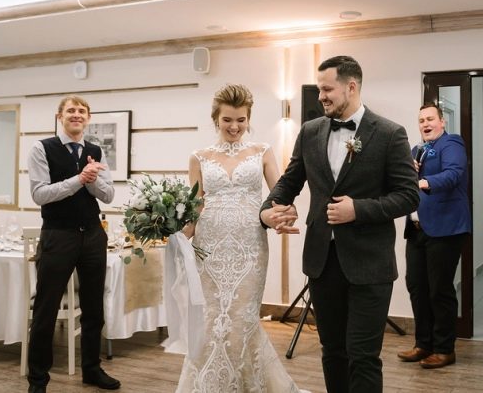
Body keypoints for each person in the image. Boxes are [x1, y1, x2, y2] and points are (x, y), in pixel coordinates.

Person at [260, 55, 419, 393]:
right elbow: (289, 182)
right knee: (332, 351)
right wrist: (266, 212)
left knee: (363, 356)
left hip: (370, 265)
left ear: (351, 87)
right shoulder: (310, 131)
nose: (321, 97)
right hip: (322, 262)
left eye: (327, 89)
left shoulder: (389, 133)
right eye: (320, 90)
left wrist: (357, 210)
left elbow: (408, 196)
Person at [176, 84, 304, 392]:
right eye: (227, 120)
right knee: (211, 319)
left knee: (242, 319)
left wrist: (285, 215)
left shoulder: (262, 152)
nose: (234, 127)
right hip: (209, 248)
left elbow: (280, 197)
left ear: (249, 119)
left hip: (249, 247)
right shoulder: (199, 157)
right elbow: (196, 207)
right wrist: (177, 237)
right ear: (216, 119)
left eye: (241, 120)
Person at [27, 95, 119, 393]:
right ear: (60, 116)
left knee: (93, 308)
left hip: (92, 234)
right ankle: (38, 380)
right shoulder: (42, 148)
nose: (76, 115)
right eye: (70, 111)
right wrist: (79, 179)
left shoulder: (95, 150)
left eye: (81, 111)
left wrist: (91, 180)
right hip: (58, 235)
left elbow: (108, 195)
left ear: (88, 118)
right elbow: (40, 194)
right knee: (46, 310)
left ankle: (92, 370)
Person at [397, 103, 471, 369]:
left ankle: (444, 349)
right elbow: (401, 181)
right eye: (421, 121)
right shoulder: (416, 150)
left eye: (430, 119)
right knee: (417, 287)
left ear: (442, 122)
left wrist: (423, 181)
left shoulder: (452, 143)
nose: (425, 124)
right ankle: (423, 344)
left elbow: (454, 174)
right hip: (416, 230)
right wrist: (408, 173)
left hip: (445, 228)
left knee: (439, 289)